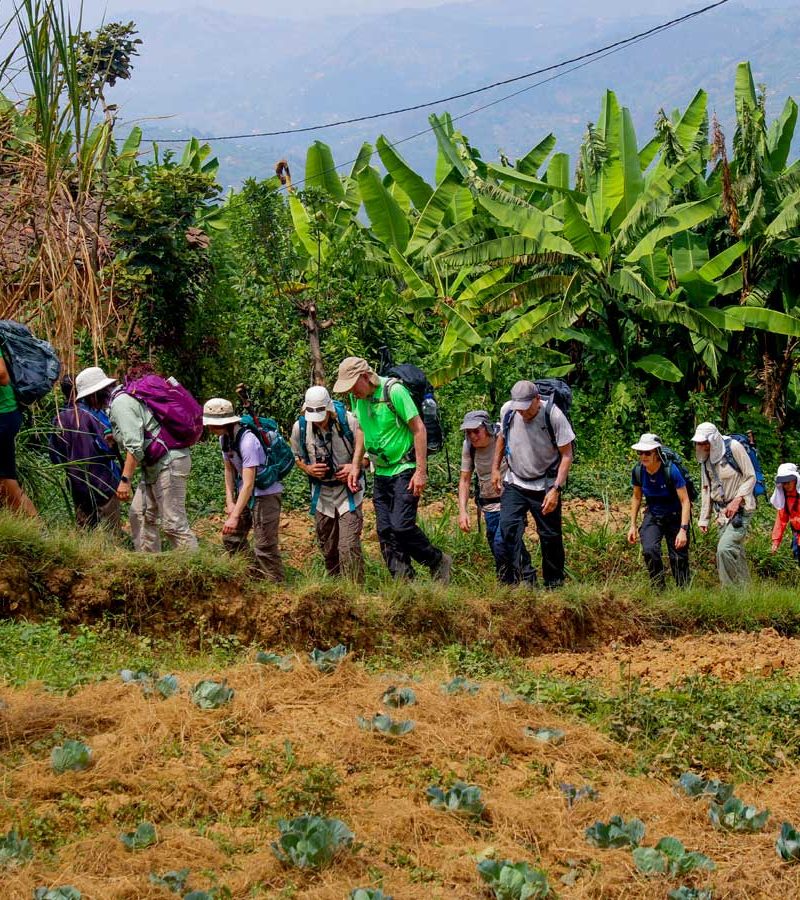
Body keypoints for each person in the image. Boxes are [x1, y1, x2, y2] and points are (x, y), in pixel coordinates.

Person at [333, 356, 451, 582]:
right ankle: (404, 583)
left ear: (366, 377)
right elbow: (361, 431)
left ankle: (437, 560)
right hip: (381, 471)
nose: (350, 392)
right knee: (386, 532)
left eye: (352, 385)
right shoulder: (358, 398)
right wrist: (356, 465)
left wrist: (420, 471)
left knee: (402, 526)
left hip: (404, 468)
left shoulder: (394, 391)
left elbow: (419, 429)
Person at [491, 380, 574, 588]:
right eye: (519, 408)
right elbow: (501, 438)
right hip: (516, 480)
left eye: (527, 408)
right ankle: (527, 576)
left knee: (550, 536)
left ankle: (554, 584)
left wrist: (556, 489)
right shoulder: (508, 411)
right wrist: (495, 468)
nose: (522, 413)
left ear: (537, 399)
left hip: (545, 484)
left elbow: (566, 455)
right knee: (508, 528)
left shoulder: (553, 415)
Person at [109, 364, 198, 552]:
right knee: (140, 515)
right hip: (158, 463)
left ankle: (198, 573)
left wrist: (125, 480)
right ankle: (149, 567)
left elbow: (135, 446)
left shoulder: (121, 402)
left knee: (174, 524)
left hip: (167, 462)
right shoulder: (130, 397)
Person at [203, 397, 285, 582]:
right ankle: (254, 577)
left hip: (265, 494)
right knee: (232, 538)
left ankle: (276, 589)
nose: (210, 429)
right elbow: (228, 469)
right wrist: (230, 501)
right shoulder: (224, 438)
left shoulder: (248, 441)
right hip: (245, 494)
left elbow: (249, 483)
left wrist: (234, 516)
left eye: (213, 425)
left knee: (264, 547)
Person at [290, 386, 365, 581]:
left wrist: (354, 466)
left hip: (348, 491)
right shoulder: (300, 427)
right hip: (322, 492)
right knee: (328, 546)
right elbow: (297, 456)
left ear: (329, 409)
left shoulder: (349, 421)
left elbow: (368, 454)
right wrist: (307, 469)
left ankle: (356, 591)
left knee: (348, 546)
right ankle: (335, 587)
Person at [457, 409, 534, 577]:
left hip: (511, 501)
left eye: (476, 431)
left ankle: (524, 580)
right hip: (488, 504)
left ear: (487, 428)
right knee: (496, 544)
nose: (472, 436)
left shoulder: (505, 437)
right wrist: (463, 511)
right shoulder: (468, 446)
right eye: (468, 432)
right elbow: (464, 480)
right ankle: (511, 584)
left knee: (503, 541)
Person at [49, 370, 121, 531]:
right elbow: (109, 448)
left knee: (86, 532)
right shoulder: (94, 416)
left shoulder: (59, 419)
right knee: (111, 533)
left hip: (76, 484)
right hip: (103, 483)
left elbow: (55, 456)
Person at [692, 421, 756, 587]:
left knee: (724, 549)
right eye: (698, 443)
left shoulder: (733, 448)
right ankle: (746, 593)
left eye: (704, 442)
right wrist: (703, 518)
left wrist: (737, 500)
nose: (701, 446)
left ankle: (729, 593)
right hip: (722, 514)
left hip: (741, 509)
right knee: (736, 552)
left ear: (713, 439)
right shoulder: (704, 458)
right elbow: (706, 488)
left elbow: (750, 477)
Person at [627, 433, 691, 588]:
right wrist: (633, 525)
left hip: (675, 515)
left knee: (678, 558)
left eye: (647, 453)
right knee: (649, 550)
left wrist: (683, 530)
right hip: (653, 514)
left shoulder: (671, 471)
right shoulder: (638, 471)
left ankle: (684, 592)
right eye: (640, 453)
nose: (643, 456)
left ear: (656, 452)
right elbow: (636, 497)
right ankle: (658, 588)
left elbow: (685, 501)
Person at [0, 345, 37, 517]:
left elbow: (2, 375)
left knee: (6, 481)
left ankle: (39, 533)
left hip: (3, 416)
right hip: (6, 415)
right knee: (4, 483)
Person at [770, 462, 800, 564]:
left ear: (795, 479)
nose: (786, 485)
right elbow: (781, 521)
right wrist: (775, 542)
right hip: (797, 535)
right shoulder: (784, 498)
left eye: (788, 481)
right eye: (783, 482)